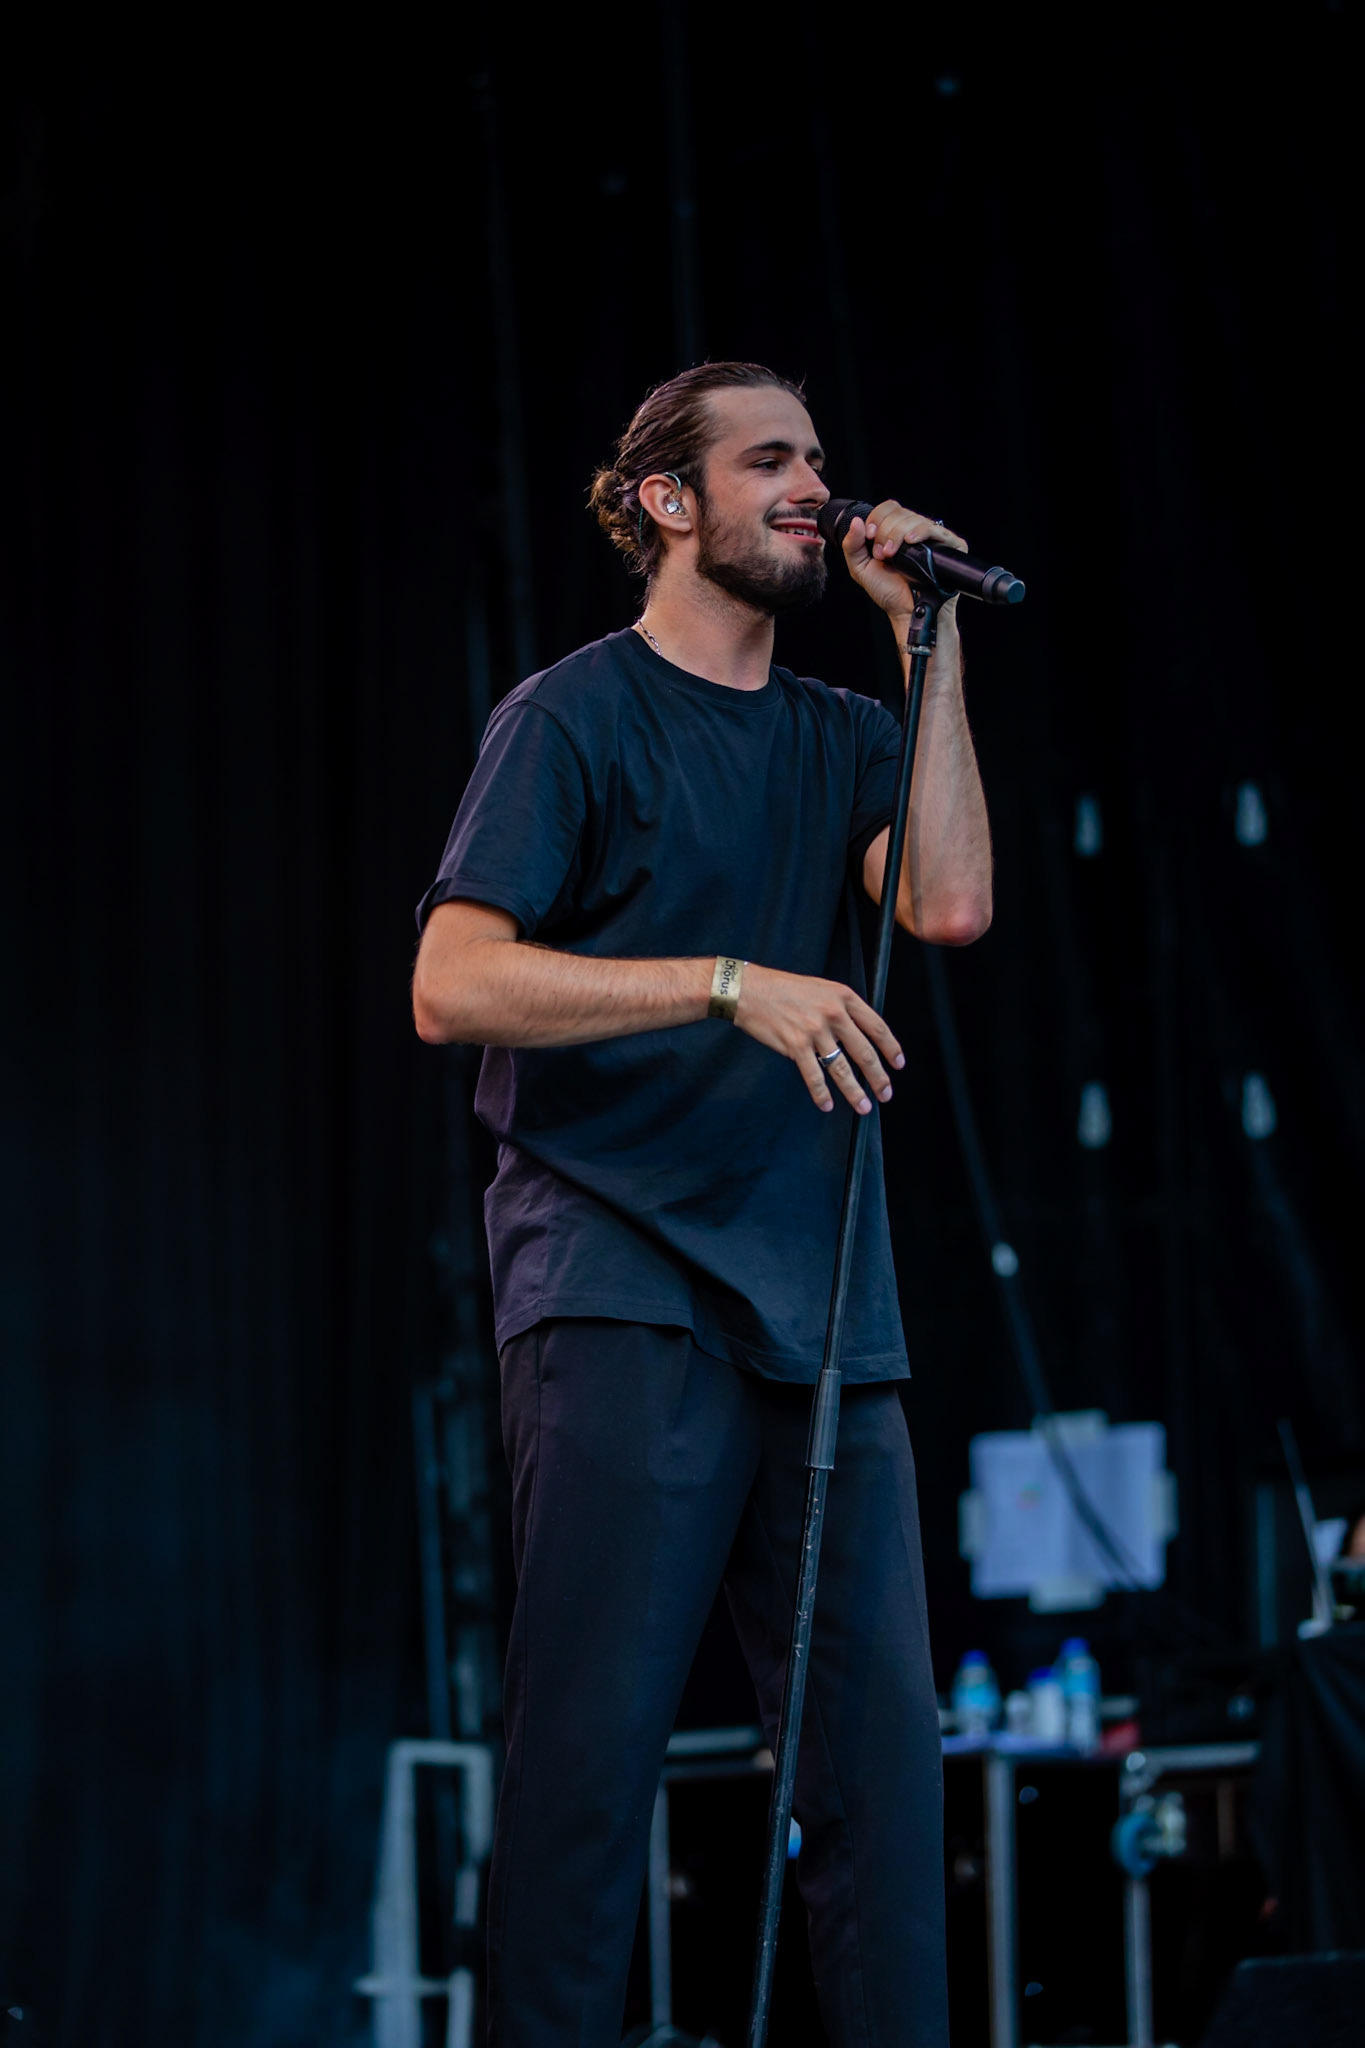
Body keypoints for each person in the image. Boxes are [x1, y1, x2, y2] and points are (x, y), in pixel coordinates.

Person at [413, 361, 993, 2048]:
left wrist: (924, 640)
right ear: (670, 501)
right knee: (591, 1763)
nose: (813, 484)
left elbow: (947, 902)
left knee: (884, 1770)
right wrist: (729, 982)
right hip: (615, 1274)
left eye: (819, 456)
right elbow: (452, 985)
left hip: (818, 1302)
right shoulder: (570, 715)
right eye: (770, 461)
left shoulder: (841, 731)